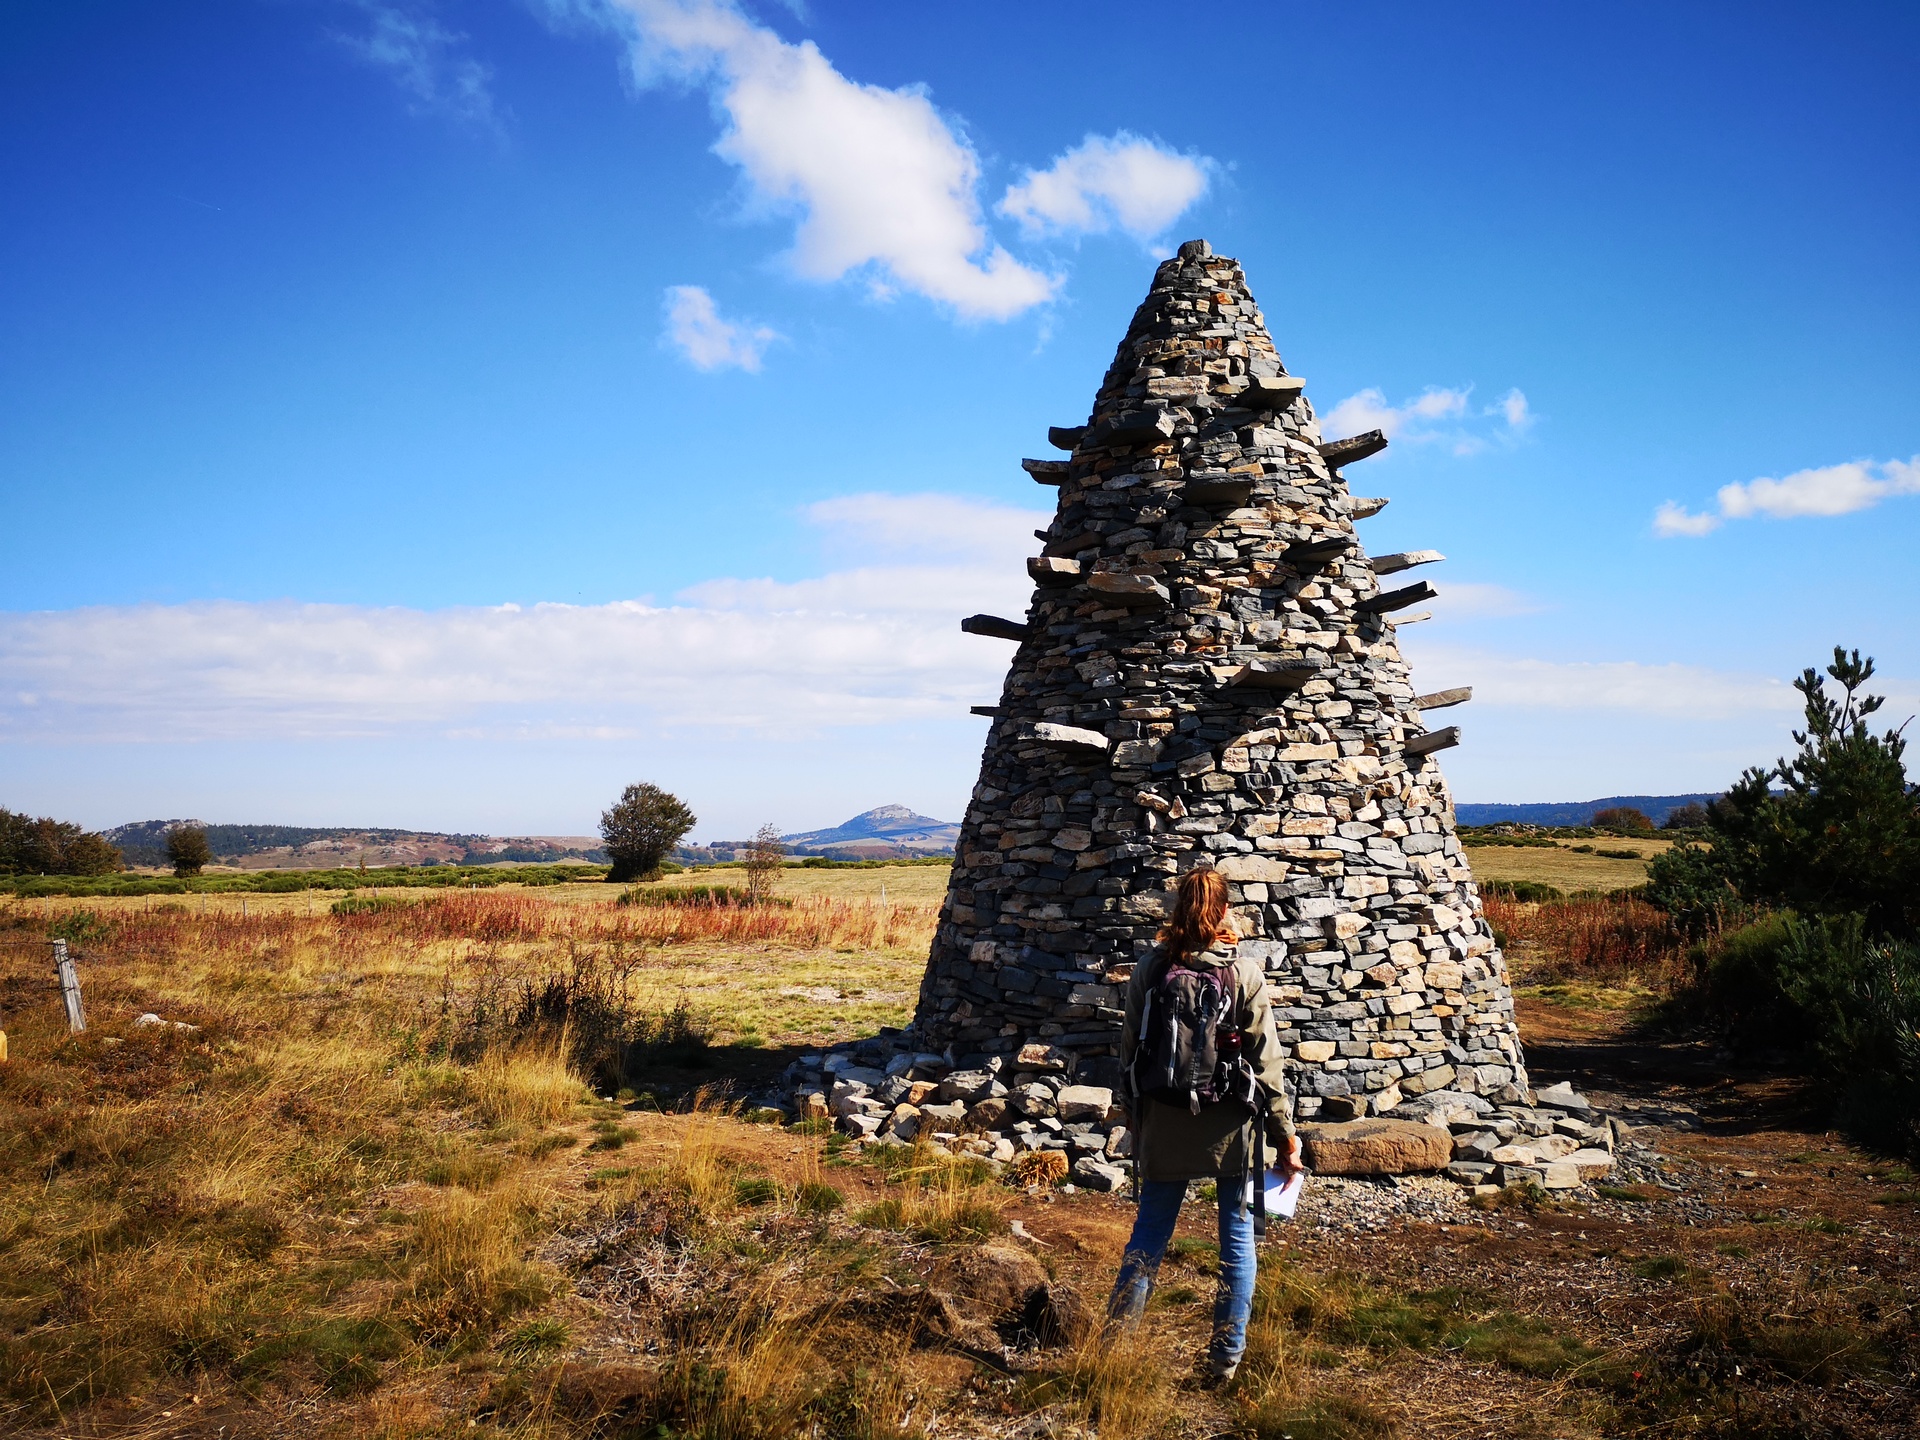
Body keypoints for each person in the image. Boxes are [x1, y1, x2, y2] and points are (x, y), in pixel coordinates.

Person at [1108, 866, 1302, 1382]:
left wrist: (1135, 1116)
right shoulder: (1244, 973)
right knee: (1237, 1241)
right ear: (1223, 911)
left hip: (1164, 1118)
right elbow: (1266, 1065)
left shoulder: (1151, 968)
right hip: (1232, 1126)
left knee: (1148, 1235)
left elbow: (1130, 1049)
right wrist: (1285, 1137)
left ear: (1178, 908)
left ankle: (1114, 1350)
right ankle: (1225, 1359)